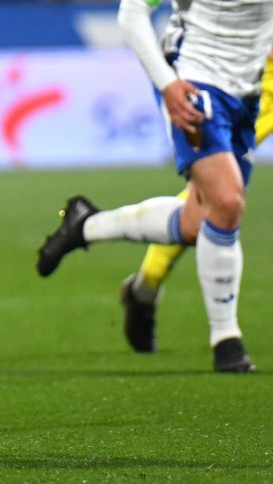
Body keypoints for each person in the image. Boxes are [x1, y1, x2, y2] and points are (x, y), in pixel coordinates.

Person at [37, 0, 273, 373]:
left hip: (248, 88)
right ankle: (226, 342)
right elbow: (132, 9)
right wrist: (168, 84)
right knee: (231, 202)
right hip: (194, 79)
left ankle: (85, 226)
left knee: (200, 220)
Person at [119, 55, 272, 353]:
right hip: (249, 69)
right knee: (218, 196)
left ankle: (143, 287)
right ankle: (146, 284)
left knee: (219, 195)